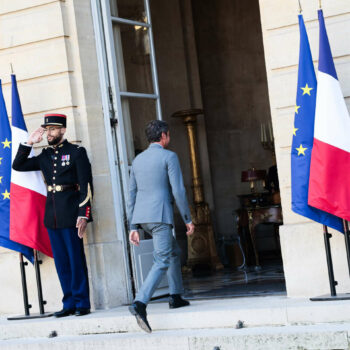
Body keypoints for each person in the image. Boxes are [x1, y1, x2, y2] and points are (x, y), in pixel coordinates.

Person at [12, 113, 93, 317]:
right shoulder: (45, 156)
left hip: (71, 214)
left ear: (63, 130)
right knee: (61, 261)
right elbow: (18, 165)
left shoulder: (76, 152)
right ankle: (69, 303)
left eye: (53, 129)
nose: (49, 133)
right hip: (52, 216)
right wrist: (29, 143)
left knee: (75, 260)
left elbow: (86, 186)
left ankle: (82, 302)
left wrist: (83, 214)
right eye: (47, 130)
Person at [128, 120, 195, 333]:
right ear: (164, 136)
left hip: (143, 218)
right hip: (160, 216)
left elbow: (131, 194)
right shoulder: (169, 156)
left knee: (174, 252)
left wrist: (133, 226)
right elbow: (178, 191)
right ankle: (140, 303)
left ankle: (175, 296)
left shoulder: (137, 160)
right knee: (162, 259)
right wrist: (187, 218)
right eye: (169, 135)